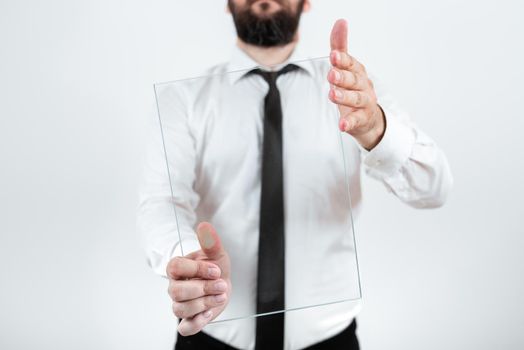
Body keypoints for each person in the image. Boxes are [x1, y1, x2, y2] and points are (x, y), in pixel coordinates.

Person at [137, 0, 453, 349]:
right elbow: (162, 202)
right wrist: (190, 260)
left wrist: (377, 129)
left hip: (331, 341)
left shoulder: (354, 91)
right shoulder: (182, 99)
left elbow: (434, 188)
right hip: (211, 337)